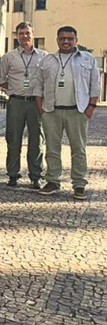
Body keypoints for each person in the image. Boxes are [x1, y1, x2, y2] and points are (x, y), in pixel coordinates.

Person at [35, 26, 101, 199]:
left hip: (77, 112)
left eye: (70, 38)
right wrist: (41, 109)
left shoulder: (87, 59)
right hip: (52, 112)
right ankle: (52, 181)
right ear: (57, 40)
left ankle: (79, 184)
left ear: (75, 40)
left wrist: (91, 107)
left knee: (79, 149)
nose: (66, 41)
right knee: (52, 149)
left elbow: (96, 85)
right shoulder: (48, 60)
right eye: (62, 38)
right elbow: (38, 86)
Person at [0, 22, 47, 188]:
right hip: (16, 102)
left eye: (27, 33)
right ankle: (12, 174)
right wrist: (14, 89)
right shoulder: (9, 57)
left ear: (33, 34)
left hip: (35, 102)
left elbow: (48, 79)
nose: (25, 36)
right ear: (17, 36)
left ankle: (35, 175)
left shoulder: (44, 56)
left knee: (36, 140)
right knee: (13, 138)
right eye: (21, 33)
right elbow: (0, 79)